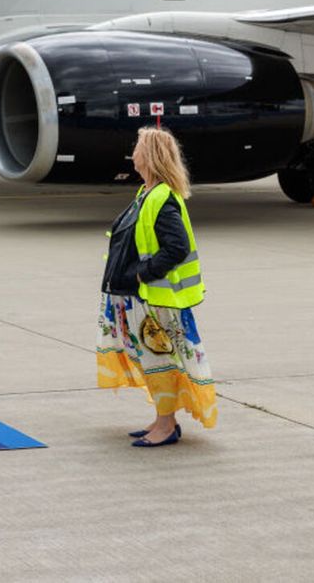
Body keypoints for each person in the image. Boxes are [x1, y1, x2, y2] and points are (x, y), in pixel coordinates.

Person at [98, 126, 216, 447]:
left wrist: (141, 274)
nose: (132, 152)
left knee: (159, 362)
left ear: (148, 156)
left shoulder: (161, 199)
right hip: (140, 298)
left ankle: (165, 427)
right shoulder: (146, 194)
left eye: (137, 146)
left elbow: (175, 247)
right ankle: (163, 420)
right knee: (152, 362)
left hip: (154, 300)